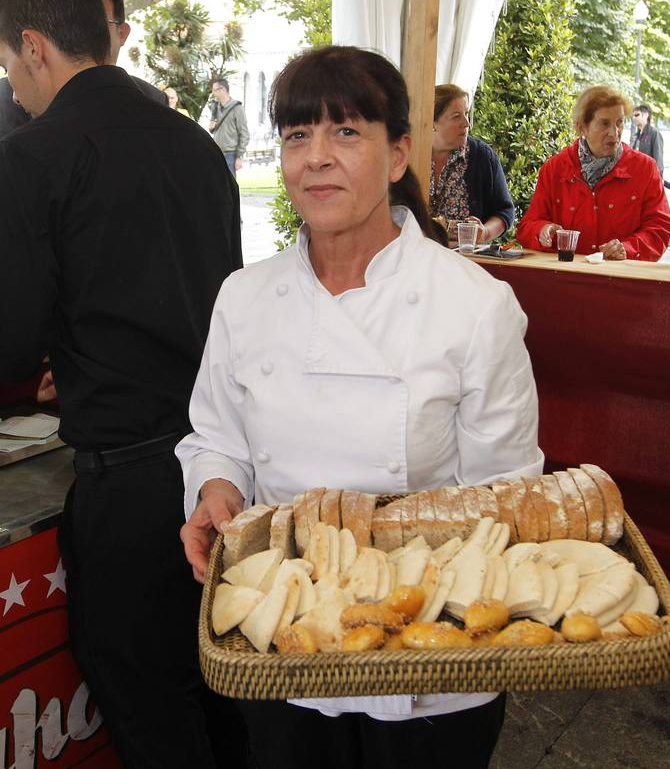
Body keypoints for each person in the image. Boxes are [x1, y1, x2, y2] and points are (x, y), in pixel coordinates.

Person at [0, 0, 244, 769]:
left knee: (141, 691)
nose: (12, 91)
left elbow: (13, 344)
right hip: (225, 464)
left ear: (34, 47)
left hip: (128, 480)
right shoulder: (194, 141)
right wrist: (82, 348)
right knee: (221, 686)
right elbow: (183, 293)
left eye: (3, 67)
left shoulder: (33, 154)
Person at [178, 45, 542, 767]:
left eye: (345, 133)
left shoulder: (474, 305)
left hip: (430, 659)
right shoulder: (244, 298)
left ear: (400, 153)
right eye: (295, 135)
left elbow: (509, 496)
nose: (315, 158)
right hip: (288, 639)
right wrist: (216, 488)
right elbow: (215, 435)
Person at [0, 0, 167, 165]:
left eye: (99, 23)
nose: (87, 31)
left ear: (122, 34)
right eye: (76, 22)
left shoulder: (154, 99)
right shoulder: (15, 91)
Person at [516, 85, 670, 261]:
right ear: (582, 127)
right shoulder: (554, 169)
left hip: (622, 280)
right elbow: (527, 227)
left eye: (619, 122)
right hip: (566, 280)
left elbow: (659, 229)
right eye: (604, 124)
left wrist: (627, 249)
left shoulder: (645, 169)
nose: (614, 133)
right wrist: (543, 230)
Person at [428, 84, 515, 243]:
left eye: (466, 114)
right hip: (415, 256)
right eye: (456, 116)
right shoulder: (410, 154)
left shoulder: (482, 156)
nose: (466, 123)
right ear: (433, 122)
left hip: (465, 259)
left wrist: (486, 232)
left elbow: (505, 212)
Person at [208, 77, 250, 174]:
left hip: (230, 154)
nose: (213, 93)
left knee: (230, 187)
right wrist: (211, 126)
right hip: (217, 153)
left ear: (222, 90)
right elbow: (213, 127)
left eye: (215, 90)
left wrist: (239, 156)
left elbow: (244, 133)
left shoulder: (237, 108)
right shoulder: (215, 108)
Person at [630, 102, 664, 171]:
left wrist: (657, 178)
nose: (634, 118)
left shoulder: (654, 133)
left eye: (637, 115)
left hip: (650, 176)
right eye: (633, 116)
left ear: (646, 115)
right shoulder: (637, 135)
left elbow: (658, 160)